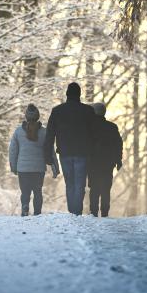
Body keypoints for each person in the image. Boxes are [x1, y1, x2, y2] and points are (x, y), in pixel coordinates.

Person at [43, 82, 95, 215]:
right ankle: (76, 211)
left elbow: (50, 134)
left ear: (67, 94)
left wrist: (47, 154)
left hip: (65, 153)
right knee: (80, 183)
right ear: (79, 94)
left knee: (70, 183)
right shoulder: (88, 111)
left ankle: (72, 211)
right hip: (82, 153)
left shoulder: (57, 111)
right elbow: (95, 134)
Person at [9, 104, 59, 216]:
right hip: (38, 168)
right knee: (37, 191)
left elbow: (12, 151)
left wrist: (13, 166)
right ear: (38, 116)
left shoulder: (18, 132)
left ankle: (25, 207)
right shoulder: (44, 132)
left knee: (25, 192)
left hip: (23, 168)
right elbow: (51, 150)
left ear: (26, 116)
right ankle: (37, 213)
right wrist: (55, 167)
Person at [88, 103, 123, 217]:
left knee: (94, 188)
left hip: (92, 163)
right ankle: (104, 212)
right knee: (105, 188)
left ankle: (93, 212)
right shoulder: (112, 127)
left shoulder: (89, 126)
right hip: (108, 163)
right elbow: (118, 145)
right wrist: (118, 160)